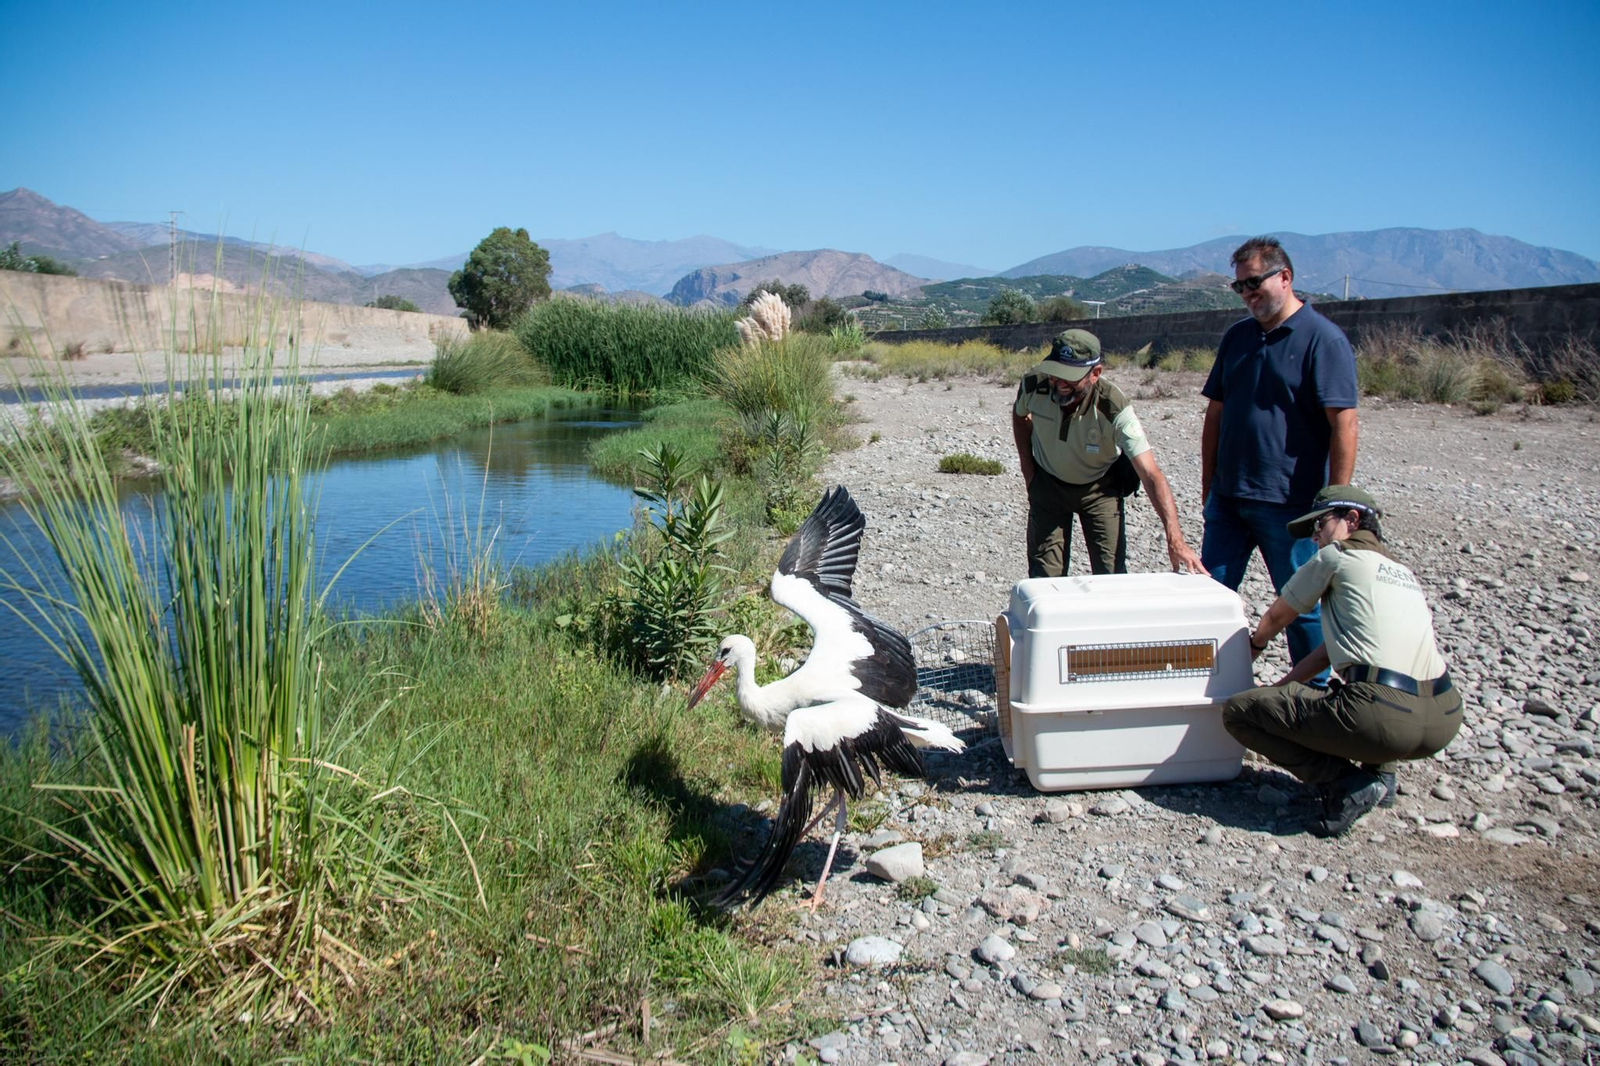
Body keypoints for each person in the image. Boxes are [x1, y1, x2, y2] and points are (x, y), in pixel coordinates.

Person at [1223, 485, 1462, 837]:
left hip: (1384, 718)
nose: (1316, 537)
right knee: (1373, 681)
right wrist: (1279, 691)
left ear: (1351, 519)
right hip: (1444, 718)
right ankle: (1382, 776)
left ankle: (1347, 783)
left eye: (1320, 524)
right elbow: (1327, 654)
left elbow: (1277, 617)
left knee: (1239, 712)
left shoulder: (1338, 558)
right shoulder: (1401, 572)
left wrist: (1255, 645)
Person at [1201, 237, 1359, 675]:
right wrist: (1209, 488)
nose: (1248, 294)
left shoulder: (1323, 340)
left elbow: (1344, 424)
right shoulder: (1238, 338)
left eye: (1255, 282)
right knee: (1208, 599)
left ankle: (1312, 698)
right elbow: (1215, 412)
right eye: (1240, 287)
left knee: (1302, 606)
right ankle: (1206, 692)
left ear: (1284, 277)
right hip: (1229, 501)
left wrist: (1335, 503)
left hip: (1291, 506)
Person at [1013, 328, 1205, 577]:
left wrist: (1175, 539)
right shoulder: (1033, 385)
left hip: (1099, 491)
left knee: (1111, 575)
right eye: (1055, 374)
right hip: (1048, 486)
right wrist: (1029, 472)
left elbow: (1150, 473)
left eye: (1069, 377)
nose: (1059, 384)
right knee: (1044, 578)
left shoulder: (1113, 406)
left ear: (1095, 374)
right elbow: (1020, 417)